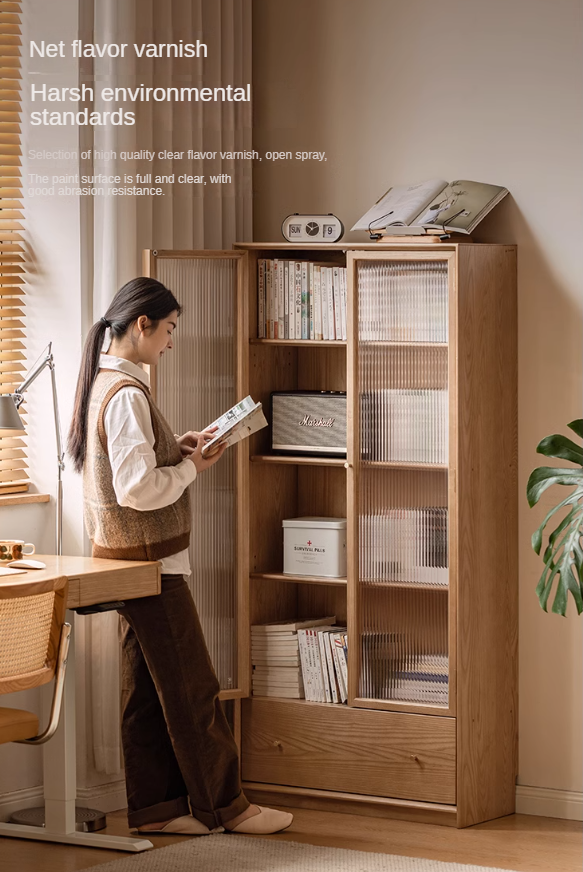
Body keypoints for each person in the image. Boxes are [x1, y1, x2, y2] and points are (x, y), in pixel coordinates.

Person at [67, 277, 292, 837]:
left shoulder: (104, 384)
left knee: (144, 691)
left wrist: (179, 449)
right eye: (168, 330)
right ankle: (228, 808)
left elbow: (133, 467)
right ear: (141, 325)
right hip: (150, 564)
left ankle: (158, 809)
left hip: (126, 559)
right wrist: (194, 467)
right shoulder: (125, 395)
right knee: (193, 688)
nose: (170, 343)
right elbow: (138, 490)